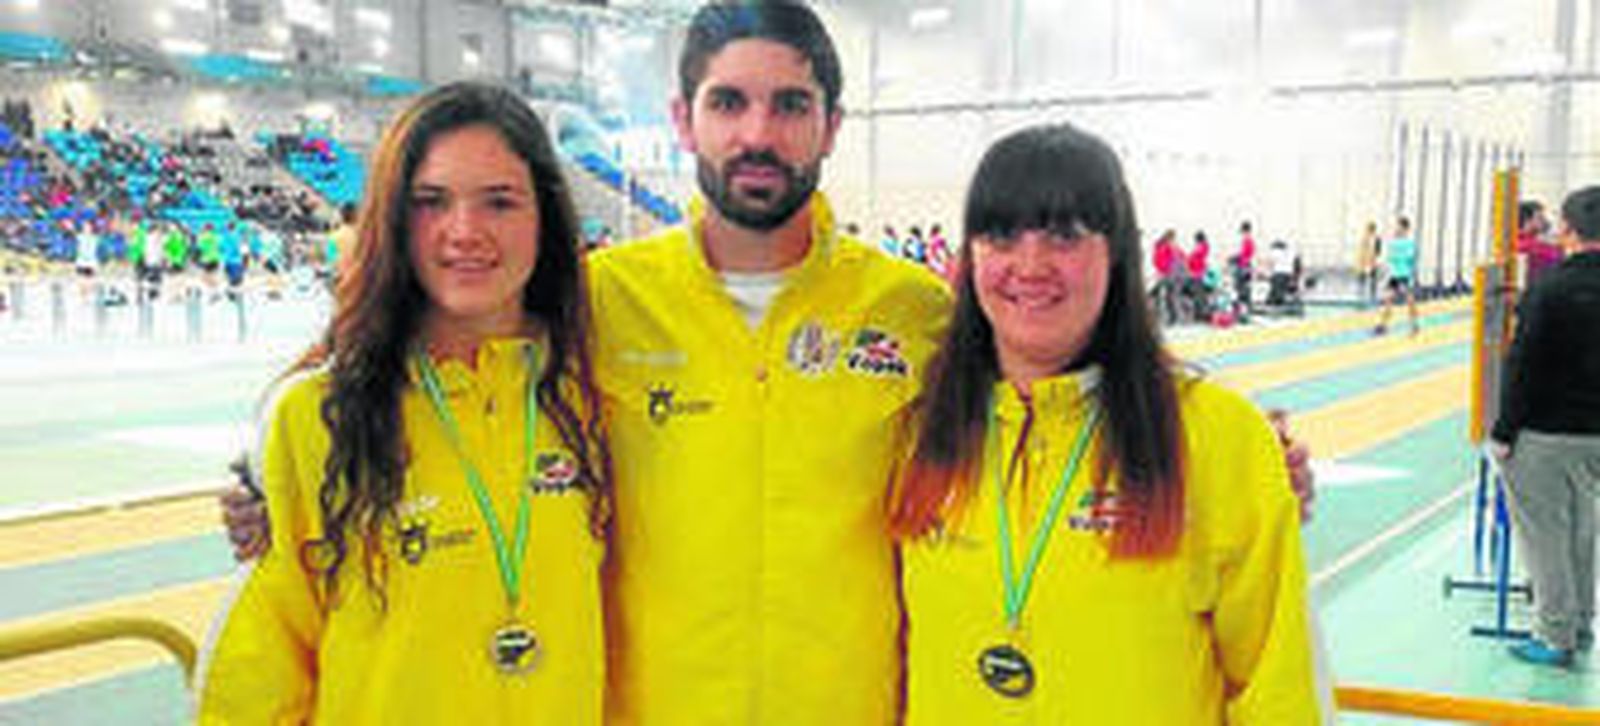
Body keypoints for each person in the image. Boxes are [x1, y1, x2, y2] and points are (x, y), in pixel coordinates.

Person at [220, 4, 1317, 723]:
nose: (760, 132)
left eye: (790, 105)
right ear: (681, 120)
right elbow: (420, 356)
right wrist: (264, 464)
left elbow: (1058, 376)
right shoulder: (596, 303)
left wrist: (1242, 449)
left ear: (831, 124)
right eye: (729, 102)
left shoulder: (915, 313)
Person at [197, 81, 611, 723]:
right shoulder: (316, 415)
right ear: (392, 218)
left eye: (500, 202)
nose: (465, 231)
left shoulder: (594, 396)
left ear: (544, 217)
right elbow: (265, 667)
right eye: (431, 201)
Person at [891, 123, 1323, 723]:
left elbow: (1281, 687)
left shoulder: (1218, 437)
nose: (1029, 264)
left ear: (1116, 250)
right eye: (1000, 234)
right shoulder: (920, 434)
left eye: (1064, 235)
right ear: (971, 255)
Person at [1490, 185, 1600, 668]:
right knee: (1584, 528)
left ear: (1570, 231)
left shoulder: (1551, 288)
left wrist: (1504, 431)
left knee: (1544, 534)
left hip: (1544, 434)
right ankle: (1579, 622)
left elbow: (1523, 364)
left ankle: (1555, 634)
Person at [1374, 215, 1418, 336]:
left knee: (1410, 301)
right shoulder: (1393, 243)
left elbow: (1411, 260)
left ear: (1405, 229)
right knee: (1388, 300)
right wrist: (1383, 272)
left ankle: (1414, 325)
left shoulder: (1410, 244)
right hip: (1394, 276)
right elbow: (1390, 259)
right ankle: (1383, 325)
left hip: (1404, 276)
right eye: (1396, 227)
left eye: (1399, 227)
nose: (1396, 229)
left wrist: (1411, 277)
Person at [1517, 200, 1564, 289]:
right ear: (1527, 220)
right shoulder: (1532, 246)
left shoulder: (1530, 242)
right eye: (1540, 218)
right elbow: (1560, 258)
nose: (1545, 221)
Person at [1355, 220, 1381, 304]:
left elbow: (1377, 252)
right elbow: (1361, 251)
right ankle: (1361, 297)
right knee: (1362, 281)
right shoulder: (1364, 238)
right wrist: (1362, 262)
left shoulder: (1376, 239)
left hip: (1371, 262)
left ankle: (1371, 297)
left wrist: (1373, 262)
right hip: (1364, 262)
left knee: (1372, 281)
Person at [1234, 220, 1256, 312]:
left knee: (1242, 288)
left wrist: (1237, 259)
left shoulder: (1247, 241)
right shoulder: (1249, 241)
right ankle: (1246, 306)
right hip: (1246, 266)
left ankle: (1245, 307)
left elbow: (1244, 255)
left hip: (1244, 266)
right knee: (1243, 287)